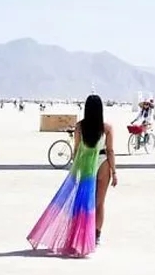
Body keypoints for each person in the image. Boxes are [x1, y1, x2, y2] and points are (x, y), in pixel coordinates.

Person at [27, 94, 116, 256]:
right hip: (103, 162)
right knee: (99, 203)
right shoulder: (107, 128)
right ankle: (95, 236)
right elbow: (110, 151)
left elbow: (76, 150)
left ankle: (80, 235)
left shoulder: (80, 127)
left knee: (84, 203)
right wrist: (115, 172)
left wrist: (76, 169)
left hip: (86, 165)